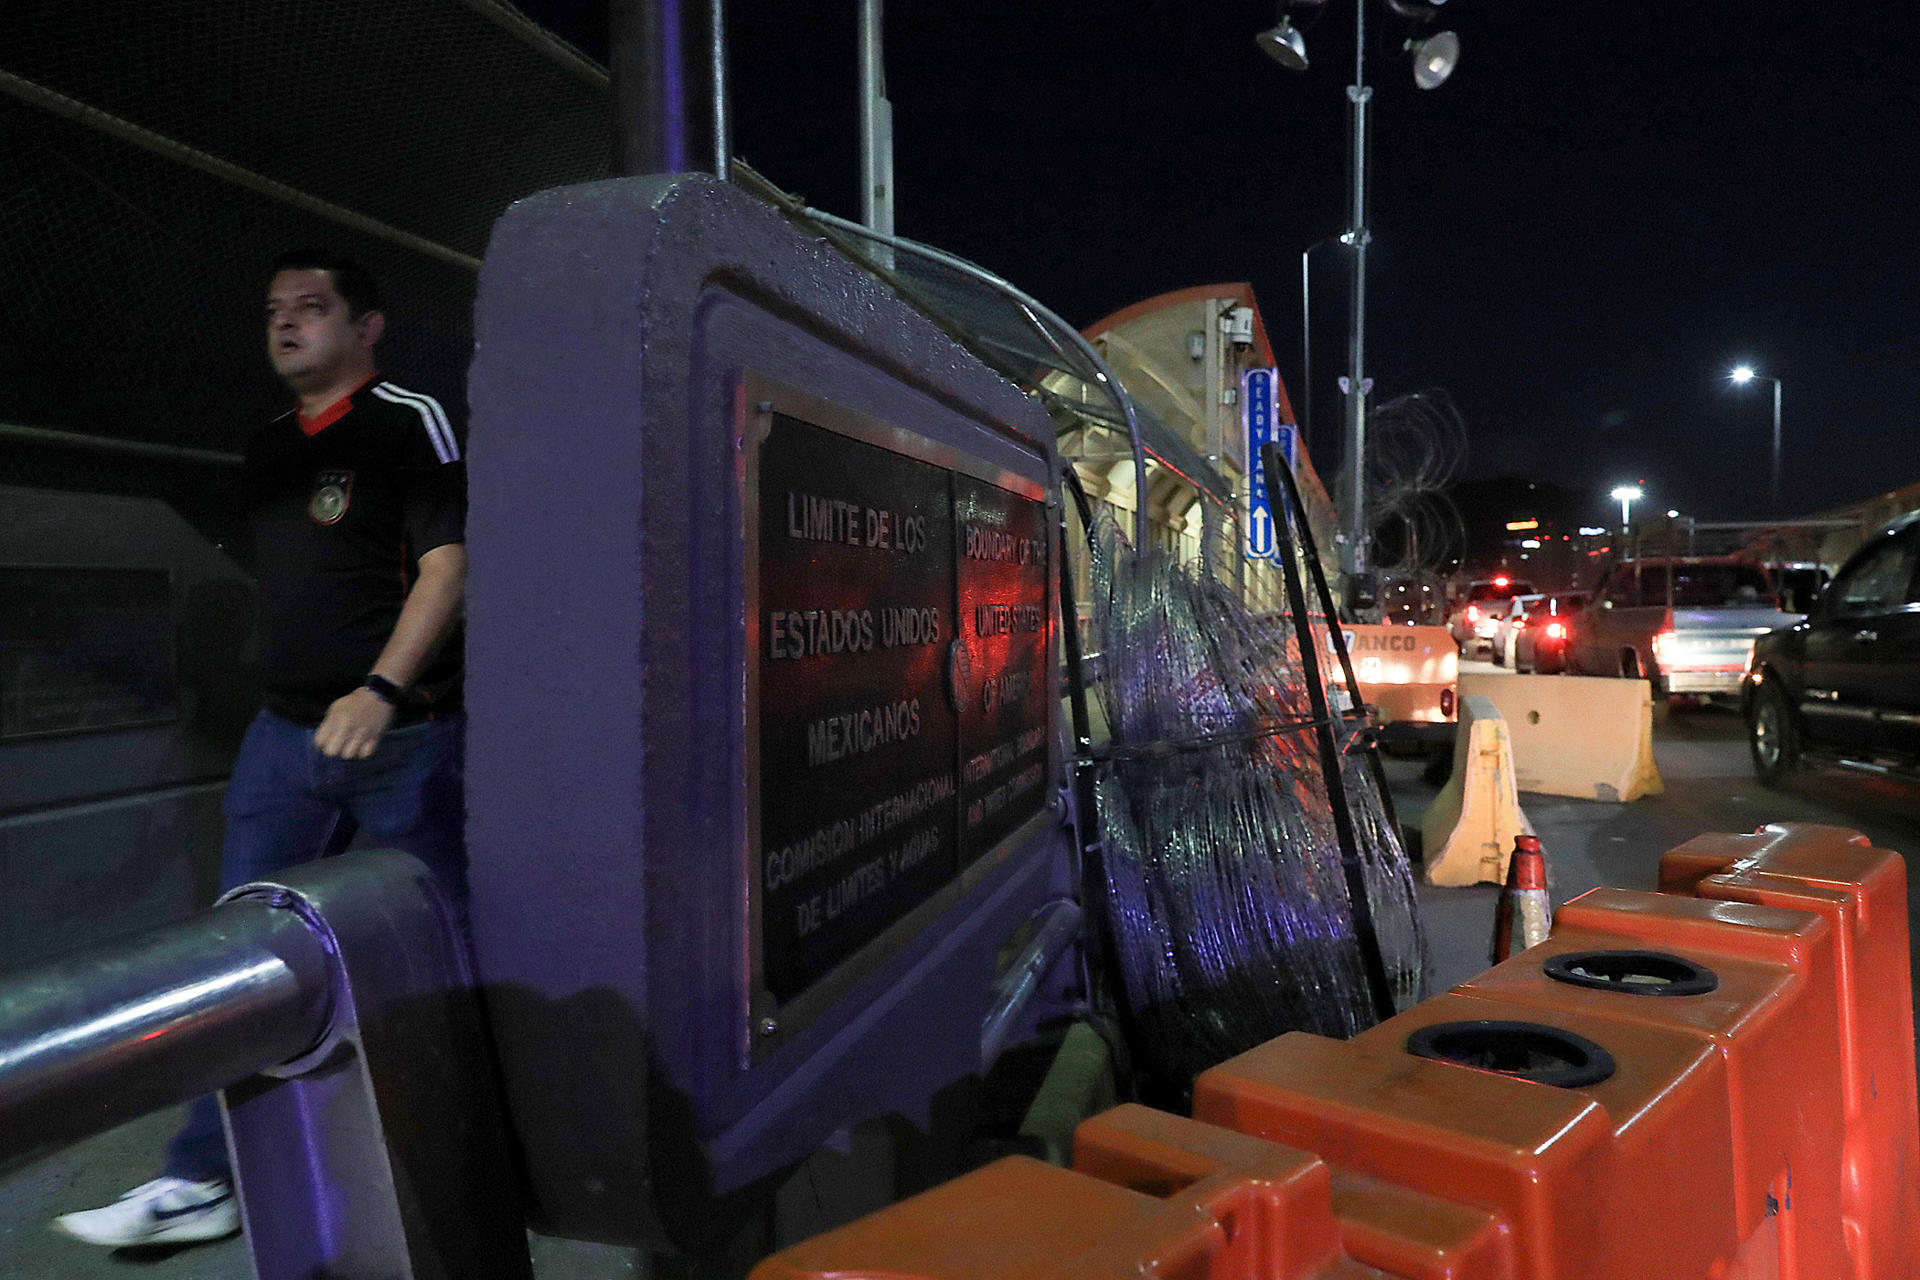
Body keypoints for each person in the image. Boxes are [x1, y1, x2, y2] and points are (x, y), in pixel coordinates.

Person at [54, 250, 470, 1249]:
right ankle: (203, 1176)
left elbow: (451, 565)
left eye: (312, 308)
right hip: (284, 737)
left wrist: (381, 687)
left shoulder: (406, 419)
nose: (286, 324)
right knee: (239, 950)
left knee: (429, 947)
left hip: (399, 735)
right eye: (274, 309)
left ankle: (454, 1165)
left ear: (365, 328)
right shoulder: (269, 445)